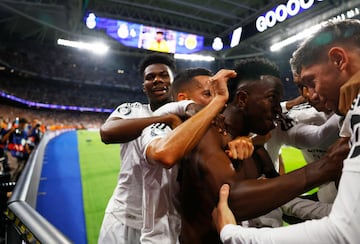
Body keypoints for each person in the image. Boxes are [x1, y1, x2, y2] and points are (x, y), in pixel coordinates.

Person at [144, 58, 347, 244]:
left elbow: (282, 194)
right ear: (241, 99)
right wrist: (325, 167)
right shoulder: (206, 134)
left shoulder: (253, 147)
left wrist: (334, 209)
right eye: (272, 99)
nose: (278, 110)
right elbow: (232, 201)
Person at [212, 19, 360, 244]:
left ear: (339, 59)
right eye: (304, 87)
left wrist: (233, 234)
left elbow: (346, 231)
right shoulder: (214, 137)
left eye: (311, 81)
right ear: (242, 99)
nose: (312, 94)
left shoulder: (351, 109)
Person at [98, 53, 181, 244]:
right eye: (150, 77)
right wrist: (164, 119)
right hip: (122, 216)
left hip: (164, 221)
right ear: (144, 86)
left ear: (174, 82)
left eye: (164, 75)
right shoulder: (131, 110)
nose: (157, 80)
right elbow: (107, 133)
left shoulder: (185, 117)